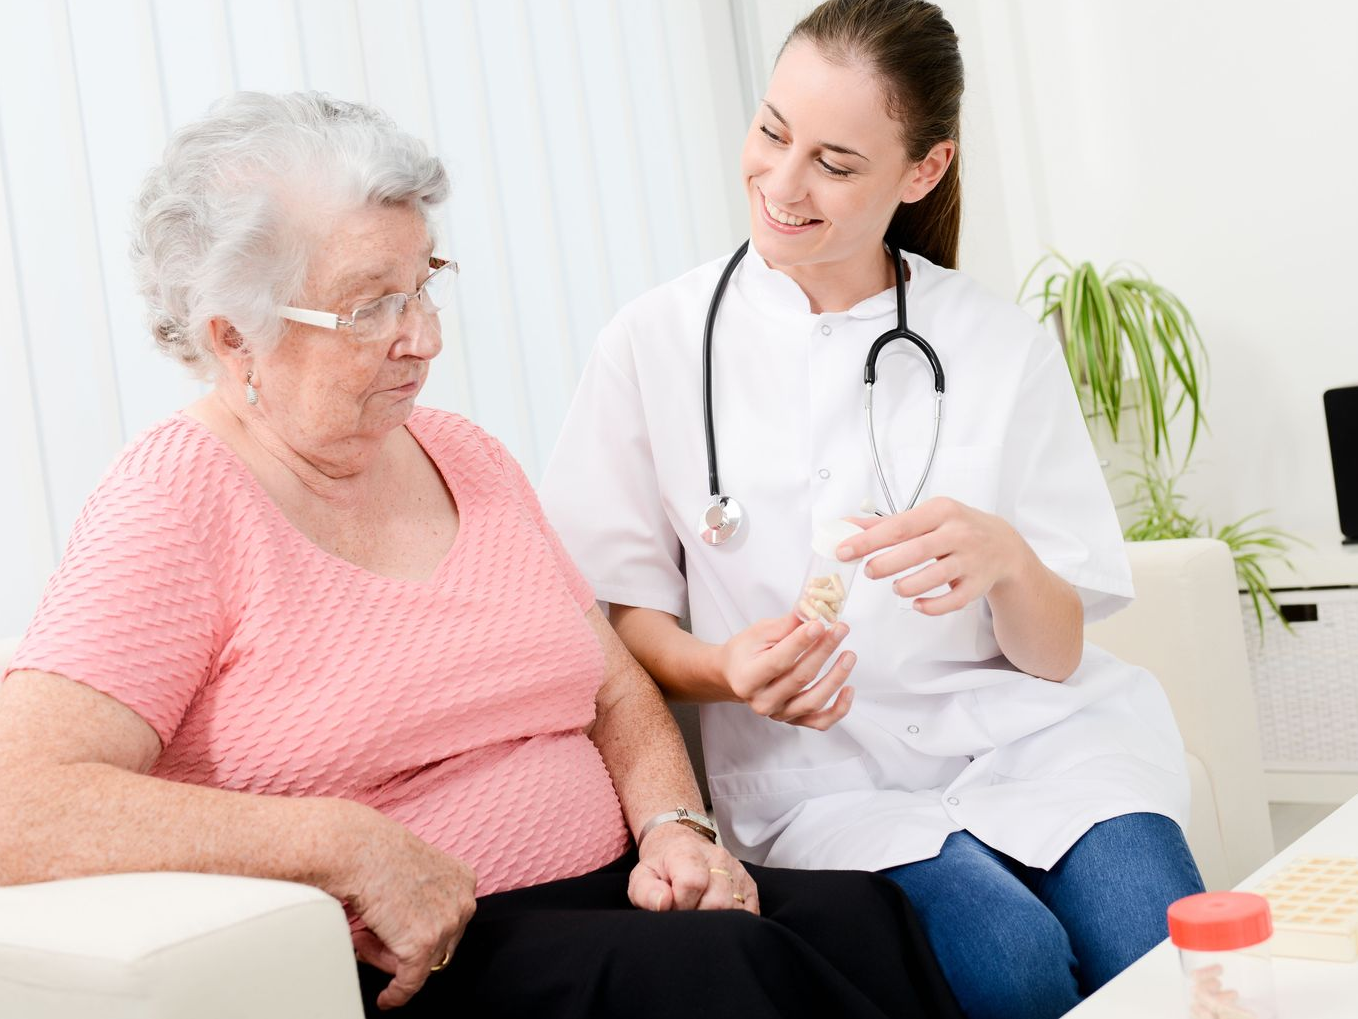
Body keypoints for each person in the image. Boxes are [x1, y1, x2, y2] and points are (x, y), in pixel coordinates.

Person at [0, 91, 959, 1019]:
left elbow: (617, 689)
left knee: (862, 916)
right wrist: (340, 844)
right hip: (436, 951)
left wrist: (678, 825)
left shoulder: (465, 454)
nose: (424, 338)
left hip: (614, 896)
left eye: (423, 284)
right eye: (371, 306)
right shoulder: (177, 501)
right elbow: (20, 801)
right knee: (722, 969)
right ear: (234, 336)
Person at [539, 2, 1206, 1017]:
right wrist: (721, 670)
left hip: (1041, 741)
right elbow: (610, 617)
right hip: (822, 776)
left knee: (1167, 951)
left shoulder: (993, 342)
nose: (782, 182)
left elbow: (1058, 652)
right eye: (771, 132)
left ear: (922, 171)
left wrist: (1011, 562)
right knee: (1010, 959)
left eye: (836, 163)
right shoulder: (652, 344)